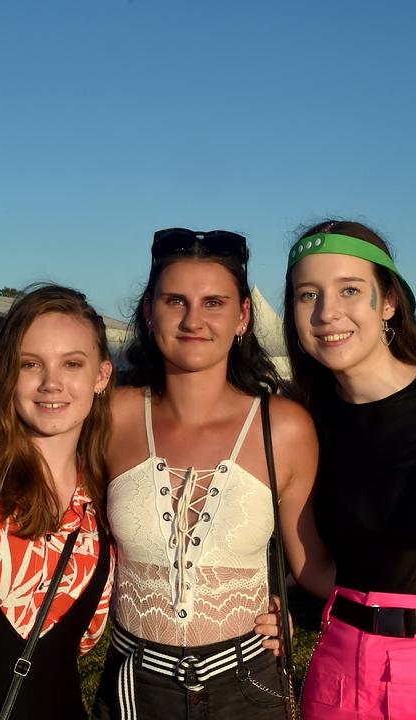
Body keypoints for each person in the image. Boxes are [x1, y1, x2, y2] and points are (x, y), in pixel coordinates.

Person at [92, 228, 330, 719]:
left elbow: (311, 564)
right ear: (148, 311)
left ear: (243, 316)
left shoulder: (282, 426)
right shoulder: (110, 417)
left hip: (246, 684)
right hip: (133, 686)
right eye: (175, 300)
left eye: (214, 303)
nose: (193, 319)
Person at [282, 220, 416, 719]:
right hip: (339, 675)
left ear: (389, 303)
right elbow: (308, 565)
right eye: (306, 295)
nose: (326, 313)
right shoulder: (301, 420)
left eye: (350, 290)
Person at [0, 284, 114, 719]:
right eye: (30, 364)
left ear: (100, 376)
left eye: (72, 363)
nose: (52, 383)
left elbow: (86, 640)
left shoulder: (107, 500)